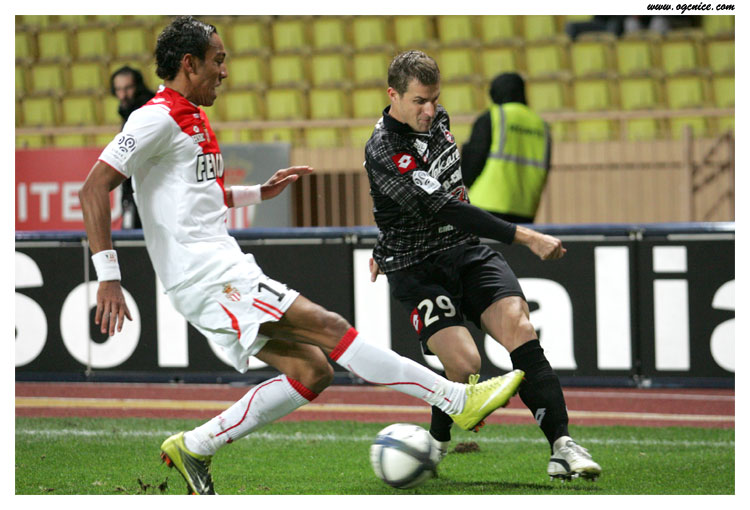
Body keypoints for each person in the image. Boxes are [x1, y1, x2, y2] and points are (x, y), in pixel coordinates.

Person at [78, 17, 525, 495]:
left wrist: (257, 193)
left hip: (216, 266)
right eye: (217, 61)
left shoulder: (192, 115)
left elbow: (195, 199)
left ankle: (197, 446)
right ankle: (456, 398)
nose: (224, 71)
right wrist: (109, 277)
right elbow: (93, 189)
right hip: (207, 273)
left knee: (313, 371)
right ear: (189, 64)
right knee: (330, 327)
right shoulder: (155, 117)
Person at [364, 50, 601, 481]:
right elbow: (441, 206)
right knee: (465, 364)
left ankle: (563, 447)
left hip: (466, 250)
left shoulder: (438, 120)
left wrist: (385, 234)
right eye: (418, 101)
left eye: (434, 99)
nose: (429, 110)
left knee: (520, 327)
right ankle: (436, 442)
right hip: (417, 266)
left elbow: (445, 190)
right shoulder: (384, 148)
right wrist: (528, 237)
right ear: (392, 95)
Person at [461, 72, 550, 224]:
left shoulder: (494, 116)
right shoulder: (542, 125)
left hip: (486, 204)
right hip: (525, 210)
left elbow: (473, 158)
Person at [109, 66, 155, 229]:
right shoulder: (128, 111)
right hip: (136, 188)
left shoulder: (145, 110)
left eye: (128, 88)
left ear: (138, 86)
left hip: (149, 189)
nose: (123, 95)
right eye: (118, 89)